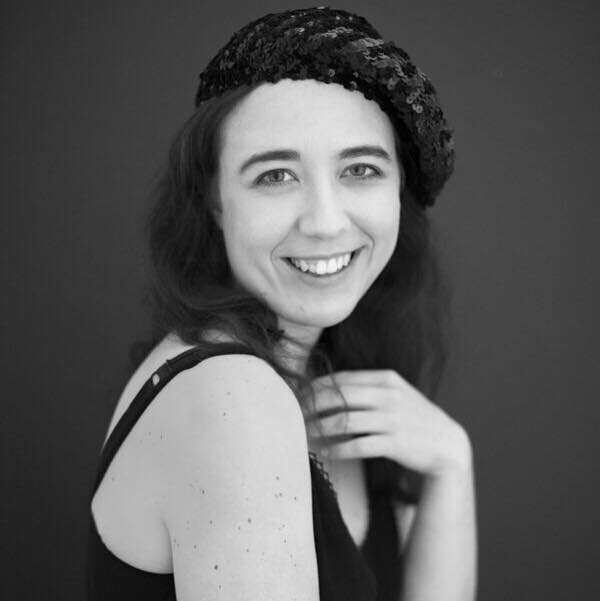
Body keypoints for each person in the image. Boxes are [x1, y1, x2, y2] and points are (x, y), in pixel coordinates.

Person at [86, 6, 477, 601]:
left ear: (400, 188)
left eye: (361, 169)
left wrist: (451, 469)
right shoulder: (234, 398)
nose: (325, 222)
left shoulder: (334, 375)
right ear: (215, 202)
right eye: (275, 176)